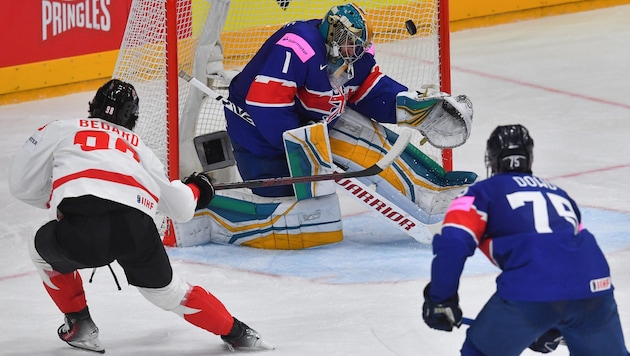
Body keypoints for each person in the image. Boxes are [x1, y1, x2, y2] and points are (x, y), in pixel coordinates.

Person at [8, 79, 272, 353]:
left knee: (37, 245)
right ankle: (241, 334)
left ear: (93, 105)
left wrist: (60, 199)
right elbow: (180, 208)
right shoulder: (140, 149)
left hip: (82, 229)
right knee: (173, 294)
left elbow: (20, 184)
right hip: (136, 228)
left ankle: (80, 324)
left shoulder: (60, 128)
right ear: (133, 116)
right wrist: (198, 188)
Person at [224, 3, 472, 197]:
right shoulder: (300, 45)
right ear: (332, 33)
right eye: (349, 43)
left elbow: (370, 90)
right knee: (291, 200)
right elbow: (266, 103)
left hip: (311, 125)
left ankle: (424, 186)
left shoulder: (354, 57)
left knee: (365, 147)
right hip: (257, 135)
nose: (353, 51)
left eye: (357, 45)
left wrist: (409, 107)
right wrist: (301, 146)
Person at [422, 124, 629, 355]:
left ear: (492, 160)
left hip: (532, 288)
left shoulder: (478, 193)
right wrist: (551, 321)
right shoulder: (559, 194)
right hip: (595, 285)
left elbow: (453, 244)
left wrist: (440, 299)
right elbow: (567, 255)